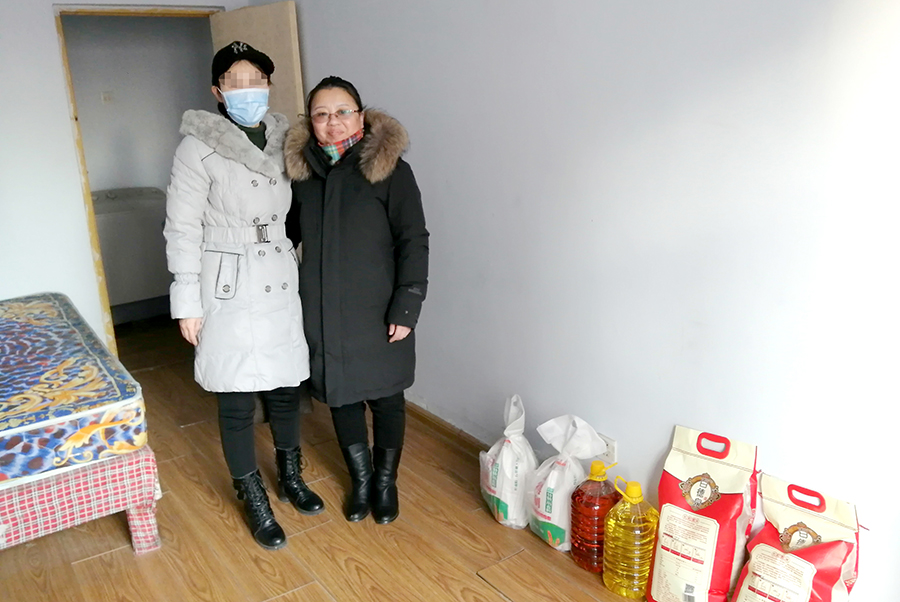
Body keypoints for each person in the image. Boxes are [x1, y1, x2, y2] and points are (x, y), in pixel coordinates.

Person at [164, 41, 324, 550]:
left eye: (256, 78)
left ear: (269, 85)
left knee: (284, 387)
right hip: (226, 277)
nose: (247, 88)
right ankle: (251, 492)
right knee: (235, 395)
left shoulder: (286, 140)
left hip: (278, 267)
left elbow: (303, 206)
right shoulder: (196, 148)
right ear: (218, 91)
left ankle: (290, 475)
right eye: (235, 80)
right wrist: (187, 302)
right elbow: (181, 228)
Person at [284, 77, 429, 524]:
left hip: (379, 309)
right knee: (341, 397)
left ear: (360, 117)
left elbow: (413, 240)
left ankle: (385, 482)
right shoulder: (303, 176)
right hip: (323, 309)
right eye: (322, 114)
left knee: (386, 398)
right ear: (311, 122)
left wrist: (407, 305)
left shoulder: (391, 171)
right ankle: (361, 481)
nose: (333, 122)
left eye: (342, 111)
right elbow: (286, 235)